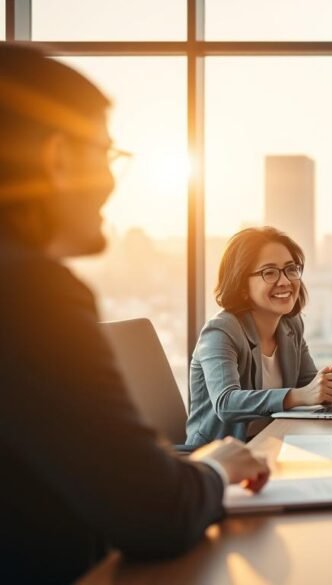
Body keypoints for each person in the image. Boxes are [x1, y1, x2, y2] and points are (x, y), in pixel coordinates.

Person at [0, 44, 270, 583]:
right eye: (106, 153)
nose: (111, 180)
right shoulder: (28, 292)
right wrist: (217, 468)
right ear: (58, 159)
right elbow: (154, 513)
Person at [186, 227, 332, 445]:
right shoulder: (220, 332)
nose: (284, 281)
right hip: (221, 458)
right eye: (270, 272)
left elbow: (307, 383)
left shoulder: (291, 325)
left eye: (290, 269)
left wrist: (328, 387)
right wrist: (299, 395)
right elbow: (226, 403)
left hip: (275, 443)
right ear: (242, 284)